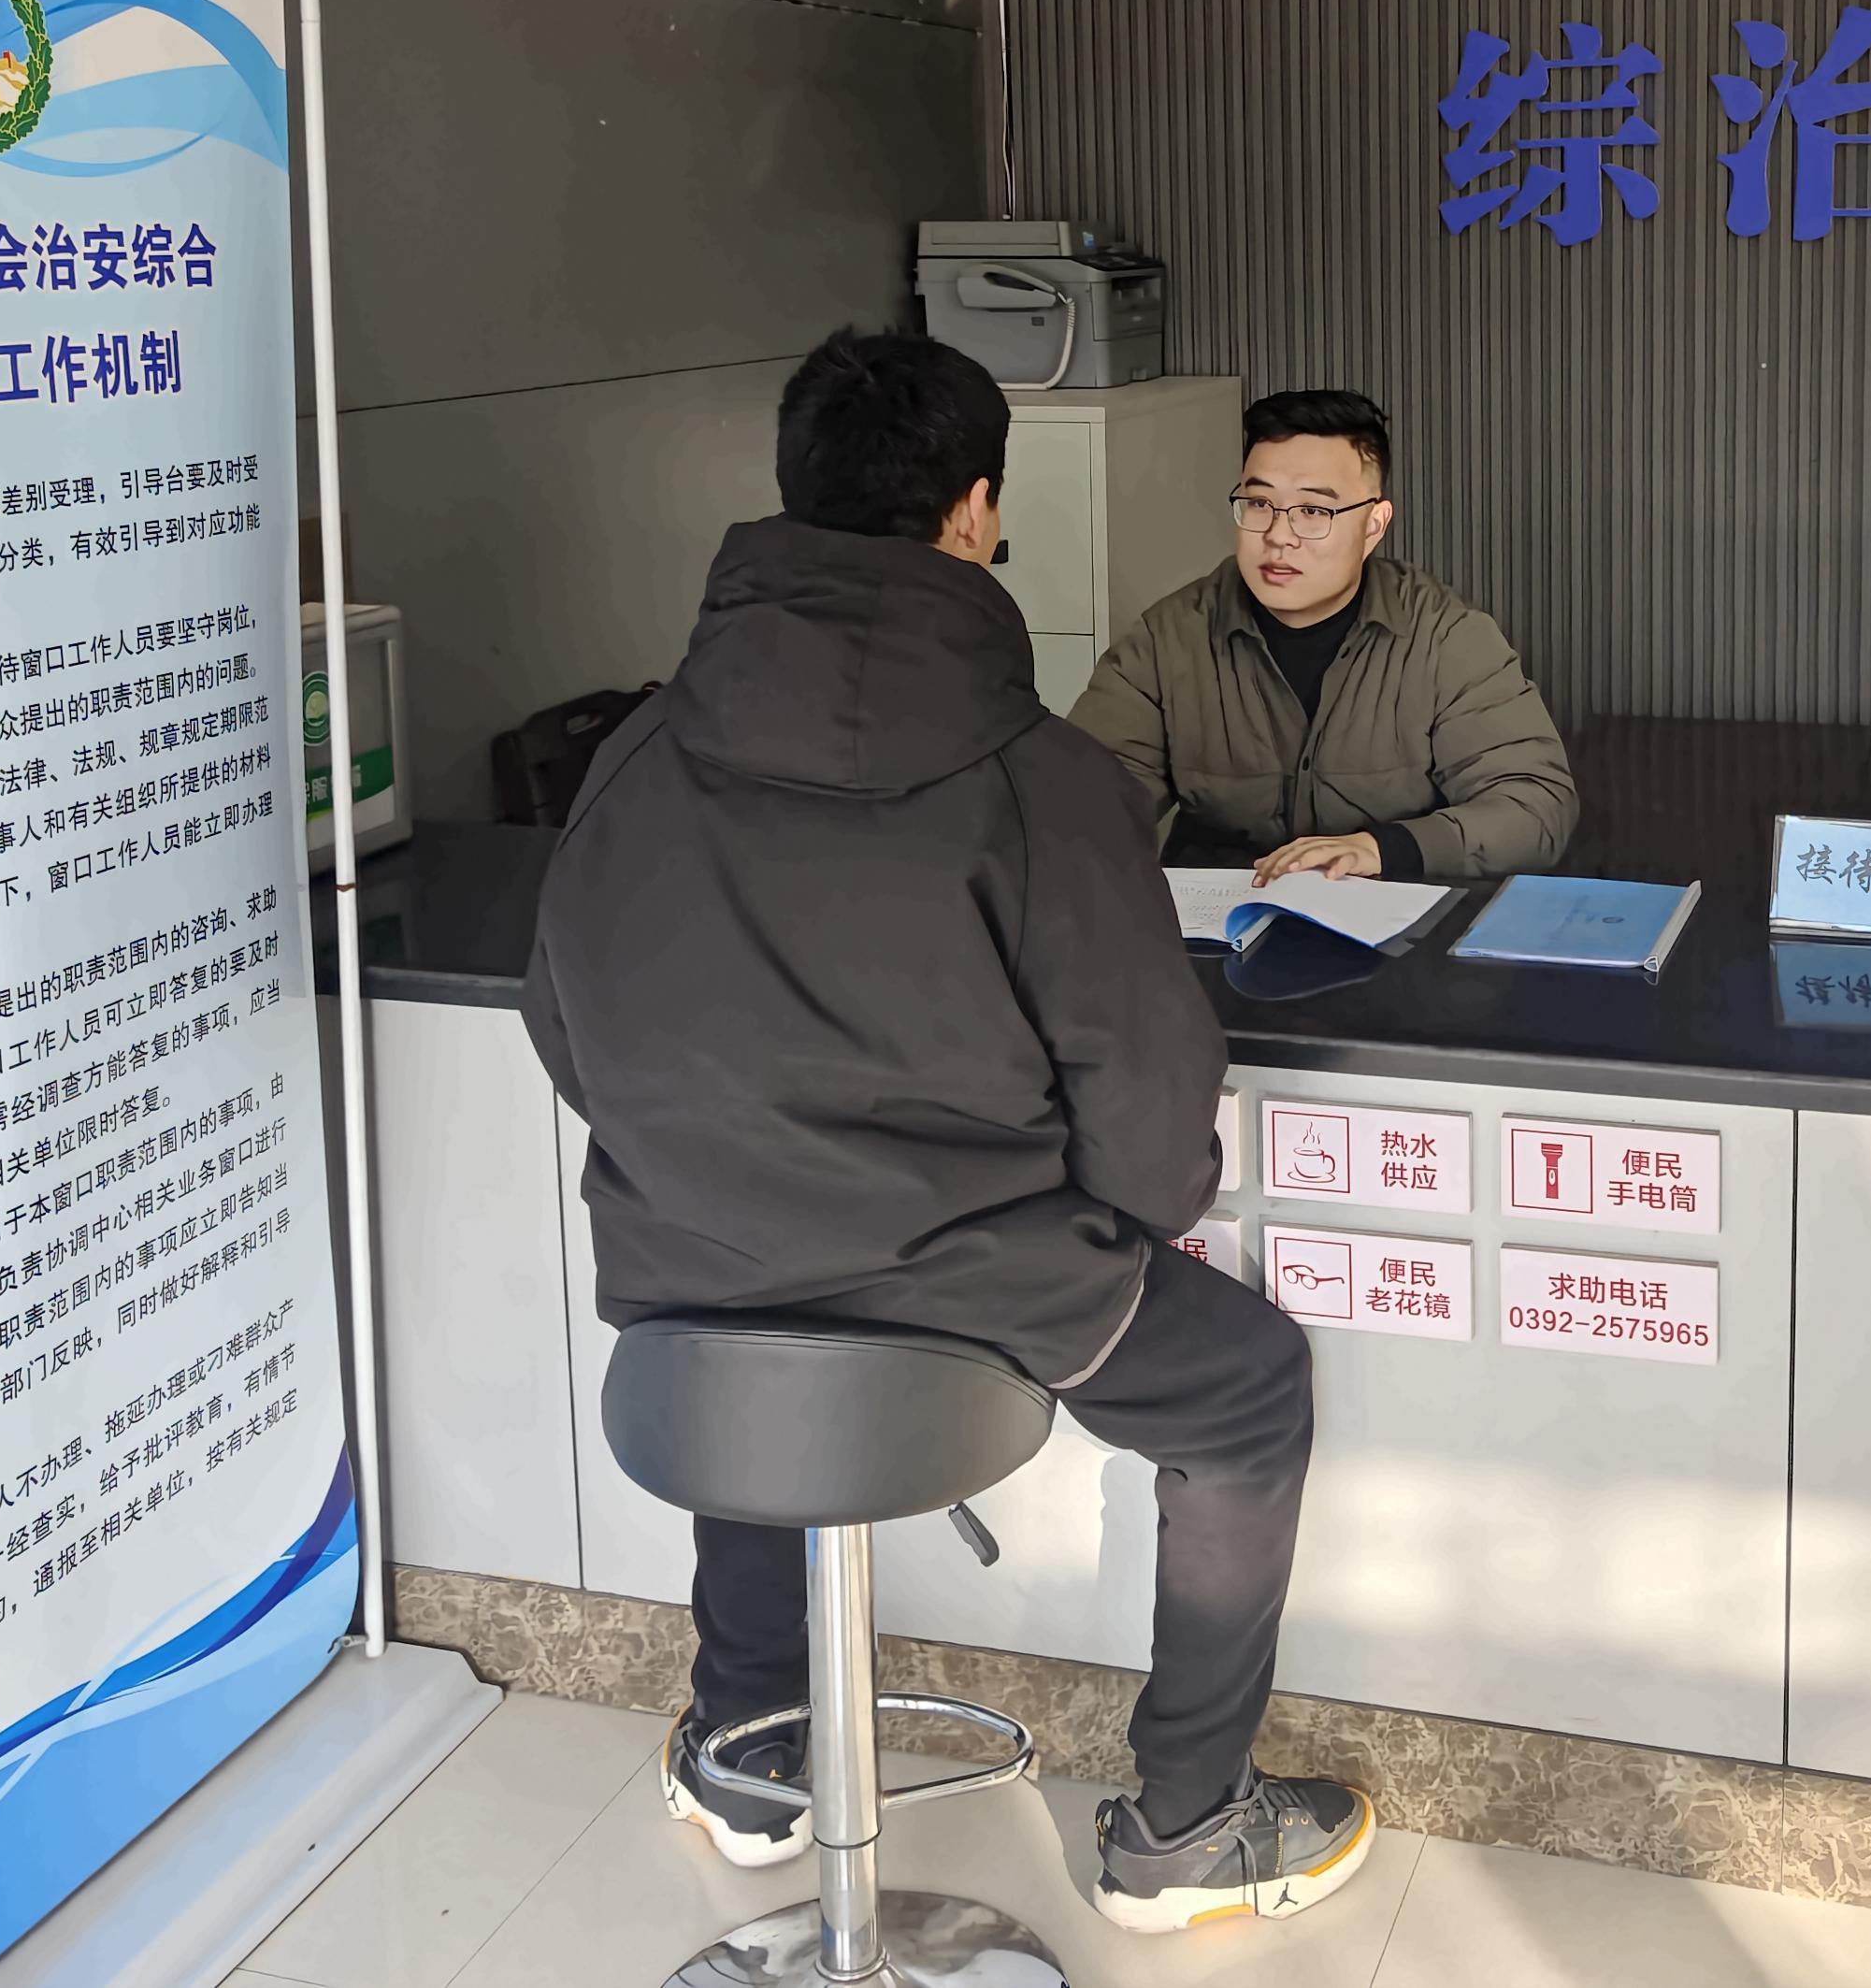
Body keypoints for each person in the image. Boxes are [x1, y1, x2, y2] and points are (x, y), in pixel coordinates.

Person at [520, 328, 1376, 1934]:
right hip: (978, 1284)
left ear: (789, 496)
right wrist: (1112, 1212)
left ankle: (746, 1762)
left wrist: (727, 1172)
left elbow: (565, 1021)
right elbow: (1152, 1138)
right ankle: (1185, 1829)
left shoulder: (637, 753)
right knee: (1245, 1390)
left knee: (754, 1322)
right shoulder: (1044, 780)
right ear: (975, 511)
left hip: (700, 1276)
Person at [1072, 387, 1576, 881]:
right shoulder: (1167, 639)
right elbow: (1080, 802)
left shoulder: (1445, 639)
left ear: (1374, 525)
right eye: (1259, 503)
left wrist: (1383, 848)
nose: (1278, 535)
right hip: (1216, 921)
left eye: (1313, 511)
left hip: (1387, 916)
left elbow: (1536, 807)